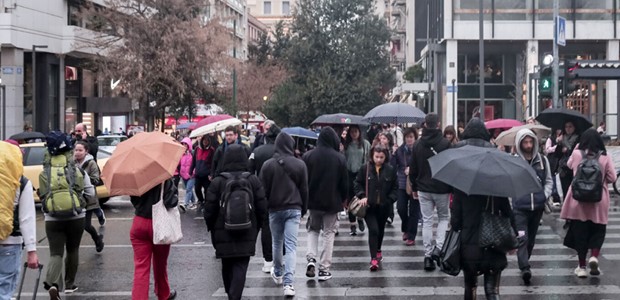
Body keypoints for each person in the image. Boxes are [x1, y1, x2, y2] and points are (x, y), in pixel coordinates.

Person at [451, 122, 517, 300]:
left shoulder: (461, 172)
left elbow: (455, 218)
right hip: (494, 240)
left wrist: (456, 226)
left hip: (469, 242)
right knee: (492, 289)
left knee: (470, 286)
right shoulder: (496, 163)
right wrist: (515, 233)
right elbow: (506, 208)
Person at [204, 144, 268, 300]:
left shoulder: (218, 181)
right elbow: (262, 207)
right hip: (247, 229)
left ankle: (231, 294)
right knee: (241, 264)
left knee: (227, 264)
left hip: (222, 229)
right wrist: (258, 226)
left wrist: (211, 227)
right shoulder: (252, 180)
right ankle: (235, 296)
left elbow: (209, 209)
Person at [39, 131, 94, 298]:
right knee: (73, 249)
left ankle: (53, 283)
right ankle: (70, 285)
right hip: (76, 217)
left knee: (55, 253)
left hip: (53, 218)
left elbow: (42, 196)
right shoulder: (77, 170)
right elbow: (90, 193)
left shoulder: (44, 173)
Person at [560, 129, 617, 278]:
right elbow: (612, 178)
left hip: (578, 200)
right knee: (598, 230)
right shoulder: (605, 156)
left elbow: (569, 165)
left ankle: (582, 266)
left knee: (580, 232)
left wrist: (577, 147)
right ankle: (594, 256)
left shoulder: (577, 154)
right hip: (599, 200)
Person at [259, 132, 308, 297]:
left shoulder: (267, 165)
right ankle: (289, 283)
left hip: (274, 208)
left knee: (277, 243)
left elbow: (262, 190)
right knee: (292, 246)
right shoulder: (300, 165)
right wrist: (304, 208)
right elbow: (304, 189)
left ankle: (278, 272)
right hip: (294, 208)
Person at [302, 127, 348, 281]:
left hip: (313, 201)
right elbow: (344, 183)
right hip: (332, 201)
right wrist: (343, 199)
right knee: (329, 233)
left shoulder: (308, 156)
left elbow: (304, 180)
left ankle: (311, 259)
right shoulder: (339, 158)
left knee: (313, 230)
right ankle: (324, 268)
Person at [409, 113, 452, 271]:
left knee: (427, 221)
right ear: (438, 124)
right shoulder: (445, 144)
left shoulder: (418, 144)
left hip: (423, 188)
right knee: (443, 218)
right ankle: (438, 248)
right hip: (441, 187)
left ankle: (427, 256)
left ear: (425, 124)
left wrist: (414, 187)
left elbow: (413, 169)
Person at [512, 129, 553, 284]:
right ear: (520, 144)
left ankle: (524, 260)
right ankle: (524, 267)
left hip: (537, 206)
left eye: (530, 142)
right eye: (525, 142)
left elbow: (548, 180)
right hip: (520, 207)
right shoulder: (515, 161)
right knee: (522, 238)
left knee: (531, 240)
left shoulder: (542, 160)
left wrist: (544, 195)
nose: (528, 145)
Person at [0, 141, 39, 300]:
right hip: (11, 242)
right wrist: (32, 251)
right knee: (4, 288)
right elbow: (27, 218)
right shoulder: (22, 182)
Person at [130, 179, 178, 300]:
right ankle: (163, 293)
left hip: (139, 222)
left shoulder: (136, 178)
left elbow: (134, 201)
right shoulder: (163, 176)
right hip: (159, 224)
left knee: (141, 267)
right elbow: (171, 201)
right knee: (160, 263)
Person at [354, 146, 398, 271]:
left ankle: (378, 249)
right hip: (369, 207)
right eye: (376, 157)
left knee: (381, 229)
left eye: (381, 157)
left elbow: (395, 188)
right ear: (372, 156)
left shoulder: (390, 170)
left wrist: (390, 200)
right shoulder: (365, 168)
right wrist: (362, 195)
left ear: (385, 157)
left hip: (384, 206)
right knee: (373, 230)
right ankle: (373, 258)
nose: (378, 160)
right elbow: (357, 183)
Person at [248, 124, 281, 273]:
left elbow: (249, 172)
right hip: (281, 194)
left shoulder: (257, 151)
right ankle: (281, 258)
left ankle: (268, 261)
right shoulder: (284, 153)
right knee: (282, 226)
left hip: (261, 193)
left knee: (266, 226)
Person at [74, 141, 105, 252]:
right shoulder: (71, 163)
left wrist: (83, 179)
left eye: (80, 150)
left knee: (86, 225)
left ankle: (97, 240)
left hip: (88, 199)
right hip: (76, 199)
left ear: (86, 151)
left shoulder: (91, 163)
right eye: (76, 150)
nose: (77, 153)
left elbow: (96, 180)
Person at [391, 127, 420, 246]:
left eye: (411, 137)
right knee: (401, 208)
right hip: (402, 184)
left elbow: (423, 165)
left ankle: (411, 235)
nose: (409, 139)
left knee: (414, 211)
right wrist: (393, 153)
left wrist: (412, 170)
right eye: (407, 137)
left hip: (415, 184)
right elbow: (392, 167)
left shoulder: (419, 150)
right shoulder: (400, 149)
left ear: (415, 138)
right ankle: (406, 226)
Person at [344, 125, 370, 236]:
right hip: (349, 173)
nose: (354, 134)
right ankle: (352, 225)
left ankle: (360, 217)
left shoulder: (365, 144)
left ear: (359, 132)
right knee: (350, 199)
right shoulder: (346, 145)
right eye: (352, 132)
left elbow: (369, 158)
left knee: (360, 197)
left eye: (356, 131)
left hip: (361, 174)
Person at [556, 121, 580, 201]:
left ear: (574, 127)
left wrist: (567, 150)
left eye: (570, 126)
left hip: (574, 168)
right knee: (565, 191)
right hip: (563, 168)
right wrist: (559, 144)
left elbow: (578, 152)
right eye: (566, 127)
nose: (568, 129)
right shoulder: (561, 138)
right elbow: (557, 155)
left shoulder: (578, 138)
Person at [190, 135, 215, 209]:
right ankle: (201, 201)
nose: (205, 141)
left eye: (207, 140)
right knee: (197, 189)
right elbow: (194, 161)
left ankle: (206, 203)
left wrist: (211, 174)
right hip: (198, 174)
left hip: (206, 175)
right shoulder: (197, 149)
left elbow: (213, 163)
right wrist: (190, 171)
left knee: (207, 191)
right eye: (204, 140)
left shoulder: (211, 150)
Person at [178, 138, 196, 209]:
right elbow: (179, 164)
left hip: (191, 175)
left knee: (188, 189)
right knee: (189, 189)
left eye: (185, 144)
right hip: (183, 175)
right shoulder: (181, 154)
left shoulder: (192, 153)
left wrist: (193, 172)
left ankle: (185, 204)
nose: (184, 145)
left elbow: (195, 163)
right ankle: (194, 202)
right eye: (183, 144)